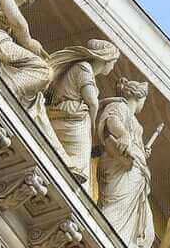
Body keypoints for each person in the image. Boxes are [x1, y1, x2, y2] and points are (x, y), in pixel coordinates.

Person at [94, 74, 159, 248]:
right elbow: (111, 121)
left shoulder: (133, 118)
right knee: (116, 209)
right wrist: (123, 134)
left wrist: (141, 151)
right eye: (144, 100)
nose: (143, 104)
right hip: (122, 167)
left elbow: (132, 141)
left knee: (148, 232)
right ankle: (105, 244)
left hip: (136, 170)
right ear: (139, 97)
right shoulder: (119, 106)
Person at [42, 38, 121, 185]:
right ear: (105, 59)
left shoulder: (83, 68)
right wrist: (93, 127)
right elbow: (91, 101)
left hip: (68, 113)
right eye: (113, 62)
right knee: (79, 159)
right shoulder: (84, 68)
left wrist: (105, 103)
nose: (113, 67)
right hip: (71, 116)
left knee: (78, 159)